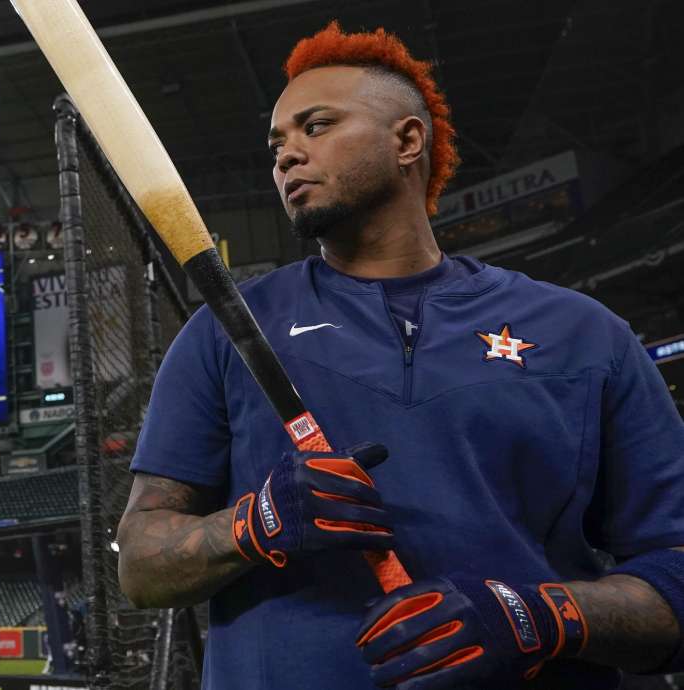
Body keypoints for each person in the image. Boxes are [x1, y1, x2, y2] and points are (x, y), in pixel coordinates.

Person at [116, 21, 684, 690]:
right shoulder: (225, 333)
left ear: (407, 140)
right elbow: (140, 566)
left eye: (315, 126)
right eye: (277, 143)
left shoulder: (586, 335)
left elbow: (673, 574)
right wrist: (255, 523)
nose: (286, 155)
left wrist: (540, 615)